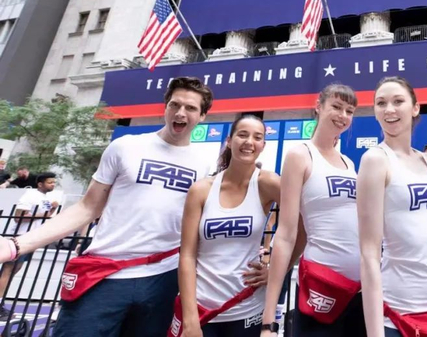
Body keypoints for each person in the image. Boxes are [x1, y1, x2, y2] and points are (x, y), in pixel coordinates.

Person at [0, 76, 214, 337]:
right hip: (104, 273)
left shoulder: (204, 164)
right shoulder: (125, 146)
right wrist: (16, 245)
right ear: (165, 106)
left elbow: (202, 229)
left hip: (162, 279)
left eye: (190, 108)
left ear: (202, 116)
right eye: (175, 105)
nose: (180, 113)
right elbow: (87, 207)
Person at [358, 76, 427, 337]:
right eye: (381, 103)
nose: (389, 109)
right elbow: (369, 251)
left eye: (398, 101)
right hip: (401, 309)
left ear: (415, 108)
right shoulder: (375, 160)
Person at [261, 83, 364, 337]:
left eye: (349, 111)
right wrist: (268, 321)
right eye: (336, 107)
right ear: (318, 106)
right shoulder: (300, 155)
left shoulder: (349, 163)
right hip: (320, 286)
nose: (343, 116)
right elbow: (287, 234)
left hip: (358, 291)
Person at [176, 115, 280, 337]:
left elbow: (305, 223)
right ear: (229, 141)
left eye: (257, 137)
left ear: (263, 145)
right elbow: (187, 255)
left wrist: (277, 270)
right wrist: (190, 318)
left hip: (248, 308)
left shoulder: (268, 183)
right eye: (242, 135)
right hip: (202, 309)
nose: (249, 142)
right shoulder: (201, 190)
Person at [0, 172, 60, 317]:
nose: (53, 185)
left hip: (32, 239)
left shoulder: (45, 198)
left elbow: (45, 217)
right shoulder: (31, 195)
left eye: (54, 182)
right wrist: (43, 215)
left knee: (14, 270)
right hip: (20, 238)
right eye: (49, 182)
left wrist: (52, 209)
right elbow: (18, 217)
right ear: (40, 184)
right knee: (8, 270)